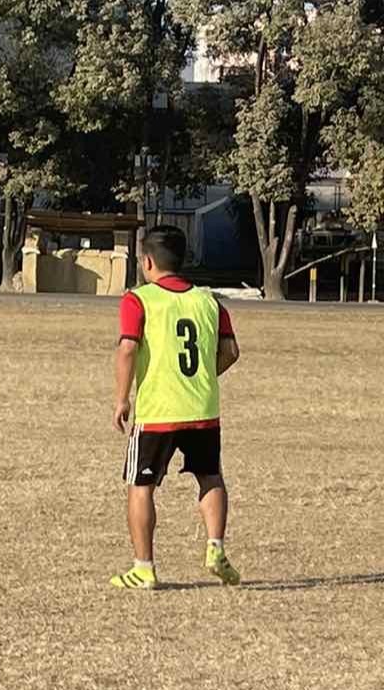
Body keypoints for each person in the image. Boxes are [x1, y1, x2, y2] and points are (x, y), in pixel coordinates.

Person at [110, 225, 242, 590]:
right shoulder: (209, 302)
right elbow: (230, 351)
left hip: (159, 411)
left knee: (141, 485)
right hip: (202, 408)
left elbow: (127, 348)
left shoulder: (138, 300)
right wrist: (203, 376)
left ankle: (143, 568)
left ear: (147, 262)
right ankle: (215, 548)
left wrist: (122, 398)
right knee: (210, 476)